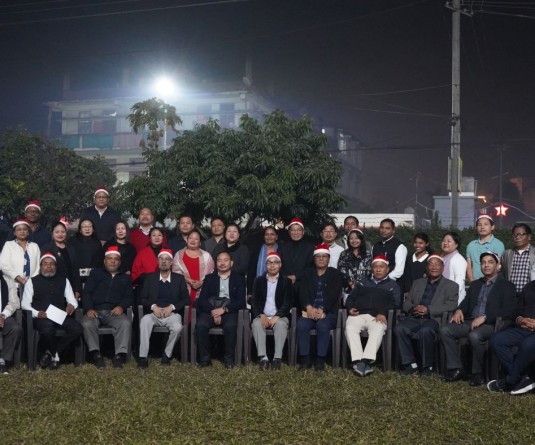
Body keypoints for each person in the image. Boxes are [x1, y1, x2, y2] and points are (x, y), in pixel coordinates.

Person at [440, 252, 516, 386]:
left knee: (475, 335)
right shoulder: (475, 284)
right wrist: (459, 310)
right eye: (483, 262)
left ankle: (477, 373)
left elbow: (508, 310)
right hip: (470, 321)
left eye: (490, 262)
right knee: (445, 330)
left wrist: (485, 317)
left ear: (497, 265)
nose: (486, 265)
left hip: (491, 324)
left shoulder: (506, 285)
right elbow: (465, 303)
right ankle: (456, 368)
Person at [395, 255, 458, 376]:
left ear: (443, 267)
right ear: (427, 267)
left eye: (437, 264)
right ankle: (410, 364)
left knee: (426, 330)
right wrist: (413, 308)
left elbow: (451, 305)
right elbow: (407, 302)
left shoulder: (451, 285)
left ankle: (427, 366)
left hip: (434, 319)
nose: (434, 267)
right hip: (415, 317)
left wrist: (428, 309)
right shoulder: (417, 283)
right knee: (400, 328)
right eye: (431, 264)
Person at [21, 253, 83, 370]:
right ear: (41, 266)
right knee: (47, 330)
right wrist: (36, 313)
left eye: (51, 264)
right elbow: (24, 304)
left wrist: (71, 305)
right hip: (42, 317)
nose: (48, 266)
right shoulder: (32, 281)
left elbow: (72, 300)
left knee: (78, 329)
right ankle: (55, 357)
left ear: (56, 266)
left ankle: (51, 353)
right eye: (45, 264)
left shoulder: (64, 280)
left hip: (59, 315)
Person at [345, 254, 398, 377]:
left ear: (387, 269)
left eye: (381, 267)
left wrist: (383, 312)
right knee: (350, 327)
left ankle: (365, 361)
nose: (378, 269)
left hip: (377, 316)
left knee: (378, 328)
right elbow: (351, 298)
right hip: (359, 314)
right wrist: (350, 308)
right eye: (375, 267)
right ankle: (358, 360)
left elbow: (396, 303)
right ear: (372, 269)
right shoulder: (363, 282)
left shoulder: (393, 285)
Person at [81, 246, 133, 369]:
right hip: (95, 310)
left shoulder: (125, 278)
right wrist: (89, 308)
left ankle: (119, 356)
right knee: (87, 323)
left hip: (114, 312)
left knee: (125, 322)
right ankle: (96, 354)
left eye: (116, 259)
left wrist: (121, 307)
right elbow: (87, 293)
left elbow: (129, 297)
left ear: (119, 262)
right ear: (105, 261)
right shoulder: (96, 273)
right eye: (110, 259)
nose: (113, 261)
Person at [137, 249, 189, 369]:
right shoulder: (150, 278)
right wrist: (153, 306)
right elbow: (142, 298)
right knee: (144, 321)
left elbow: (186, 299)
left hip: (172, 314)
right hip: (154, 313)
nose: (164, 261)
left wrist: (172, 307)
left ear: (171, 262)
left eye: (167, 259)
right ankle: (143, 357)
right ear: (158, 261)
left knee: (177, 327)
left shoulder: (179, 279)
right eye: (161, 259)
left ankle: (166, 354)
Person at [296, 243, 344, 371]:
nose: (321, 259)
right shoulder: (307, 273)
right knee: (302, 324)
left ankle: (320, 360)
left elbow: (333, 294)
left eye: (324, 256)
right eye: (318, 257)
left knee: (323, 325)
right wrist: (308, 307)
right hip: (309, 311)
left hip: (328, 312)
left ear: (328, 259)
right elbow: (302, 292)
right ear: (314, 259)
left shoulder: (336, 274)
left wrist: (322, 308)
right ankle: (305, 359)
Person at [195, 251, 246, 368]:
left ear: (231, 263)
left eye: (225, 260)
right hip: (211, 309)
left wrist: (224, 310)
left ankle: (228, 359)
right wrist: (214, 312)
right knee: (201, 324)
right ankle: (205, 359)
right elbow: (202, 299)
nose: (222, 263)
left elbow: (241, 301)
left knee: (230, 325)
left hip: (229, 310)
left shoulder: (239, 279)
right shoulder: (209, 278)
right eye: (219, 260)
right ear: (216, 263)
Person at [488, 276, 535, 394]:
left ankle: (510, 381)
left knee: (527, 345)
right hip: (524, 328)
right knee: (497, 340)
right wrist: (520, 319)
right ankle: (525, 378)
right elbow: (516, 310)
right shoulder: (529, 287)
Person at [250, 251, 292, 370]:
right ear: (266, 265)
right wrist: (261, 315)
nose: (272, 265)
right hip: (262, 315)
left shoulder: (286, 281)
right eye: (269, 263)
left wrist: (277, 316)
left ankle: (277, 359)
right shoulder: (258, 281)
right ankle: (263, 358)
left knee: (281, 324)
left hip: (280, 316)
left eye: (275, 262)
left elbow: (288, 302)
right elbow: (254, 301)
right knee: (256, 324)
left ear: (280, 265)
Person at [172, 230, 214, 312]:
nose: (193, 240)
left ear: (200, 242)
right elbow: (175, 273)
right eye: (191, 238)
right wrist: (189, 281)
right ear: (187, 240)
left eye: (196, 239)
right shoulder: (179, 255)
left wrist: (202, 282)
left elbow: (211, 273)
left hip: (203, 291)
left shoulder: (207, 256)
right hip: (183, 290)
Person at [41, 221, 82, 300]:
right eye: (57, 232)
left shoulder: (71, 248)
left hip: (70, 287)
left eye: (63, 232)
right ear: (52, 233)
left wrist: (77, 289)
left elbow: (75, 269)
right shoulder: (46, 248)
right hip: (53, 288)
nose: (60, 234)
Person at [0, 219, 41, 291]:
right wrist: (20, 279)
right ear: (14, 233)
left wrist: (31, 282)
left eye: (25, 229)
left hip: (32, 285)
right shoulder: (9, 245)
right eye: (19, 229)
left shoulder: (34, 246)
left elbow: (39, 265)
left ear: (28, 232)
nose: (22, 231)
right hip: (13, 286)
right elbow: (4, 265)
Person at [466, 215, 505, 282]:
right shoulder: (471, 245)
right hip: (475, 283)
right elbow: (468, 266)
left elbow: (498, 266)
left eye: (486, 224)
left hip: (492, 283)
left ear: (492, 227)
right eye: (479, 225)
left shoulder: (498, 244)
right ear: (476, 227)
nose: (482, 227)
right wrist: (472, 282)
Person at [500, 223, 535, 295]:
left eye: (521, 234)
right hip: (511, 295)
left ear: (529, 237)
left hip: (530, 295)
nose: (517, 237)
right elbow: (502, 274)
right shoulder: (507, 254)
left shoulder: (534, 253)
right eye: (515, 235)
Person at [67, 218, 103, 286]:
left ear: (93, 229)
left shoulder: (97, 242)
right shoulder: (72, 241)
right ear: (80, 229)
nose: (87, 229)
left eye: (89, 226)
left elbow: (99, 262)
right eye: (84, 226)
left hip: (93, 280)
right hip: (75, 279)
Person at [278, 218, 314, 284]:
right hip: (285, 283)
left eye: (298, 230)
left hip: (304, 283)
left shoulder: (310, 247)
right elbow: (278, 265)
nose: (296, 233)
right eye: (293, 230)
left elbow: (312, 268)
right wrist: (286, 277)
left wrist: (296, 276)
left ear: (303, 232)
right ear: (289, 232)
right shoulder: (282, 247)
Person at [337, 228, 372, 297]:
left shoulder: (367, 254)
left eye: (357, 238)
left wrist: (360, 285)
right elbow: (341, 271)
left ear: (361, 239)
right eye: (351, 238)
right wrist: (350, 283)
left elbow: (369, 272)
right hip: (348, 290)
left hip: (364, 290)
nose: (354, 241)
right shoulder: (344, 254)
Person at [0, 271, 23, 373]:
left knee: (15, 328)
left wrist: (3, 315)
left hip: (3, 315)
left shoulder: (7, 280)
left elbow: (15, 302)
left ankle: (2, 360)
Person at [247, 225, 279, 295]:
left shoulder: (281, 250)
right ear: (264, 237)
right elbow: (251, 271)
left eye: (272, 234)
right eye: (267, 234)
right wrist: (249, 292)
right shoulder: (257, 250)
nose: (269, 236)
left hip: (277, 288)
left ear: (276, 237)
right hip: (258, 287)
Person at [441, 231, 467, 304]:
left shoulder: (458, 259)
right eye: (444, 241)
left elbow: (459, 281)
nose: (445, 243)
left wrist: (451, 296)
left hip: (452, 299)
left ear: (456, 244)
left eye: (449, 241)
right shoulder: (442, 257)